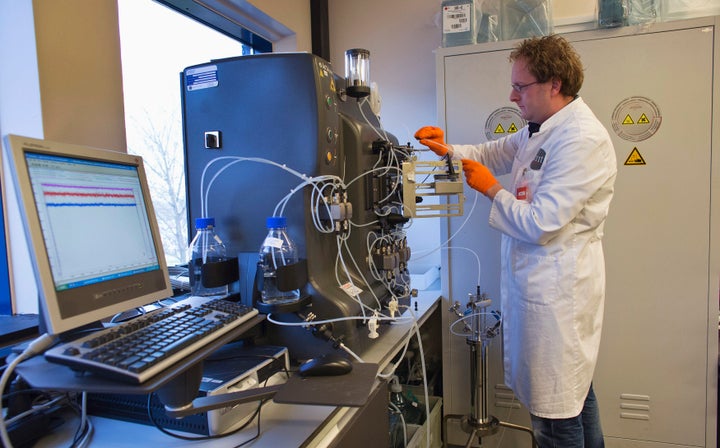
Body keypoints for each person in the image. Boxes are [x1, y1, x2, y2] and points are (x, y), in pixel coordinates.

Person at [415, 34, 617, 448]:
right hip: (544, 291)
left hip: (560, 297)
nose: (512, 94)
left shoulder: (580, 139)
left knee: (555, 419)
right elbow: (490, 153)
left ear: (554, 84)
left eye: (520, 86)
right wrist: (447, 149)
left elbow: (541, 223)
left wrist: (493, 190)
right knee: (574, 399)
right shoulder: (538, 130)